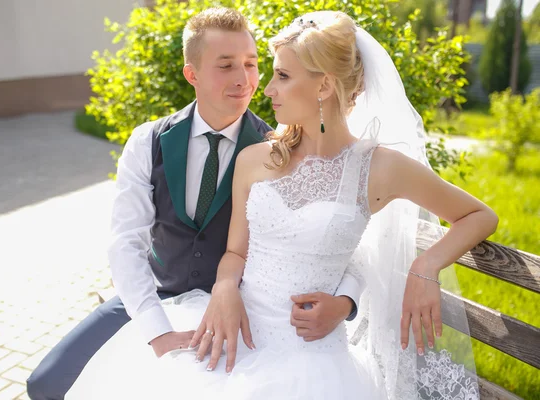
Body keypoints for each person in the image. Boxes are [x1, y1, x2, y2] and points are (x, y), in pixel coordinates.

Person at [65, 10, 498, 400]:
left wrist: (422, 269)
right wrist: (223, 289)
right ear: (192, 73)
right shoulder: (255, 158)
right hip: (215, 318)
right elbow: (207, 249)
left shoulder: (381, 167)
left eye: (277, 75)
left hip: (311, 354)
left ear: (325, 85)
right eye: (232, 66)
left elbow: (476, 216)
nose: (261, 87)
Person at [26, 8, 363, 400]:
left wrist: (346, 301)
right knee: (46, 384)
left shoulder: (280, 149)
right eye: (226, 66)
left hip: (238, 309)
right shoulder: (148, 140)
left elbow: (337, 232)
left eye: (251, 64)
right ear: (193, 75)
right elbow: (124, 243)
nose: (245, 79)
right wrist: (157, 331)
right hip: (154, 296)